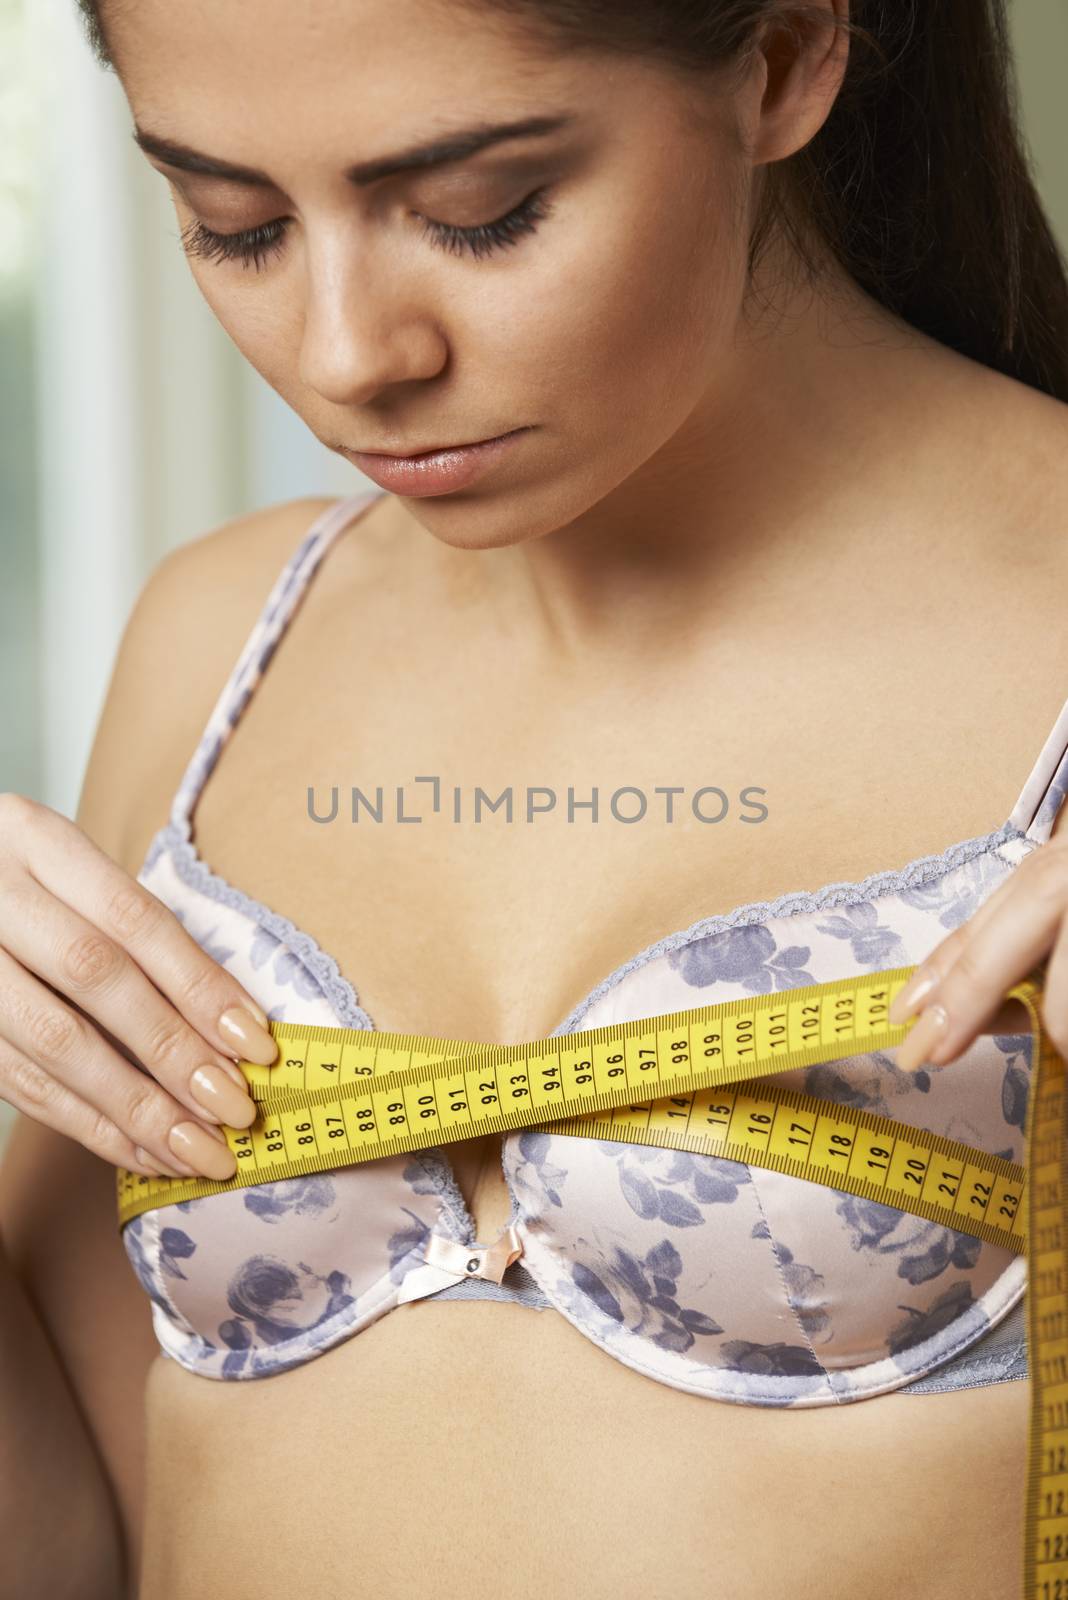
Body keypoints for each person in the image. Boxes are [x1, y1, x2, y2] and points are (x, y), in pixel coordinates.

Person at [2, 0, 1068, 1595]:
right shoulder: (214, 638)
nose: (353, 353)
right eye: (235, 225)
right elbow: (84, 1536)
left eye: (479, 212)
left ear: (782, 58)